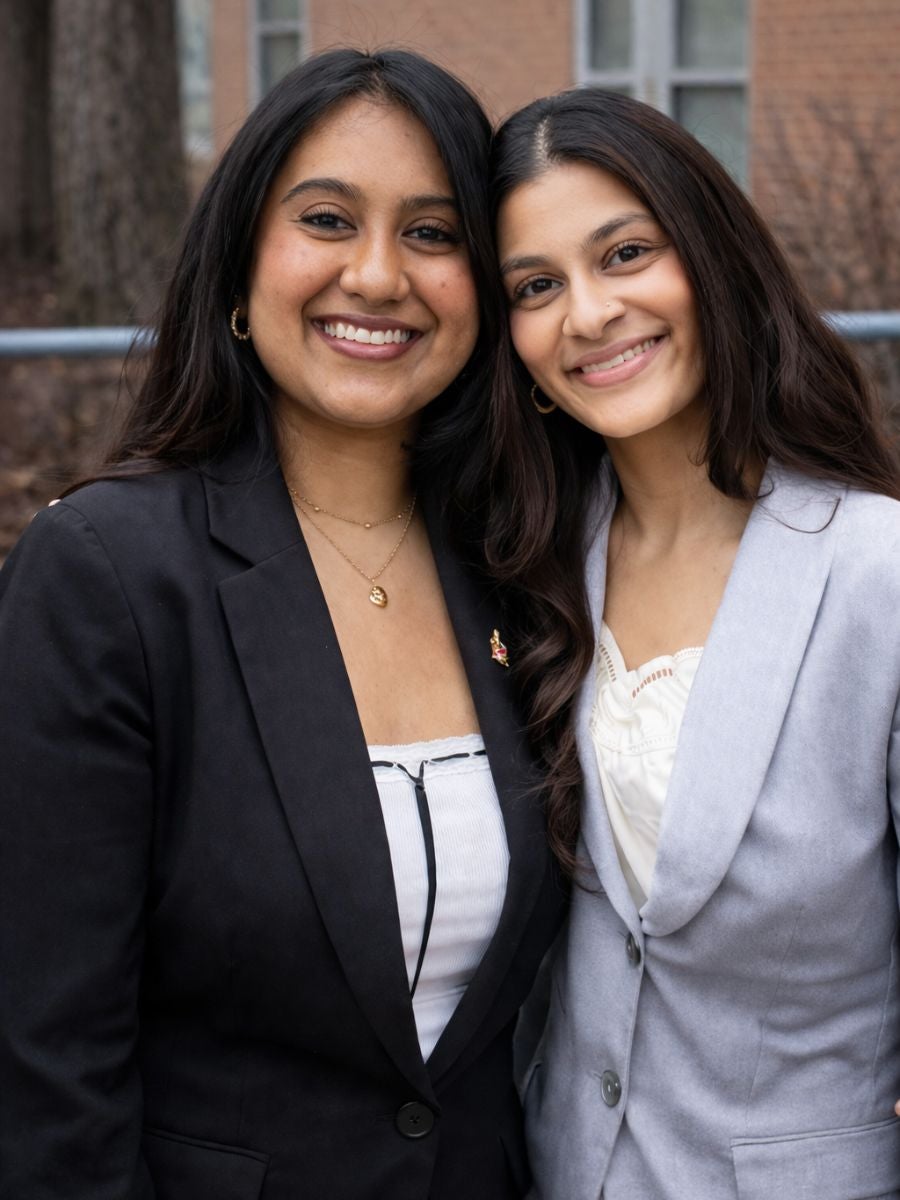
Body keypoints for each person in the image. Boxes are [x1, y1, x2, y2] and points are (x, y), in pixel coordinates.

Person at [0, 49, 565, 1200]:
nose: (376, 274)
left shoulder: (523, 566)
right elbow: (49, 1068)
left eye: (433, 232)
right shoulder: (107, 575)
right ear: (238, 263)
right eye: (324, 218)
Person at [483, 87, 900, 1198]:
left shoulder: (876, 575)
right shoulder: (525, 573)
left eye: (625, 253)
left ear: (710, 255)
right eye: (536, 286)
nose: (587, 312)